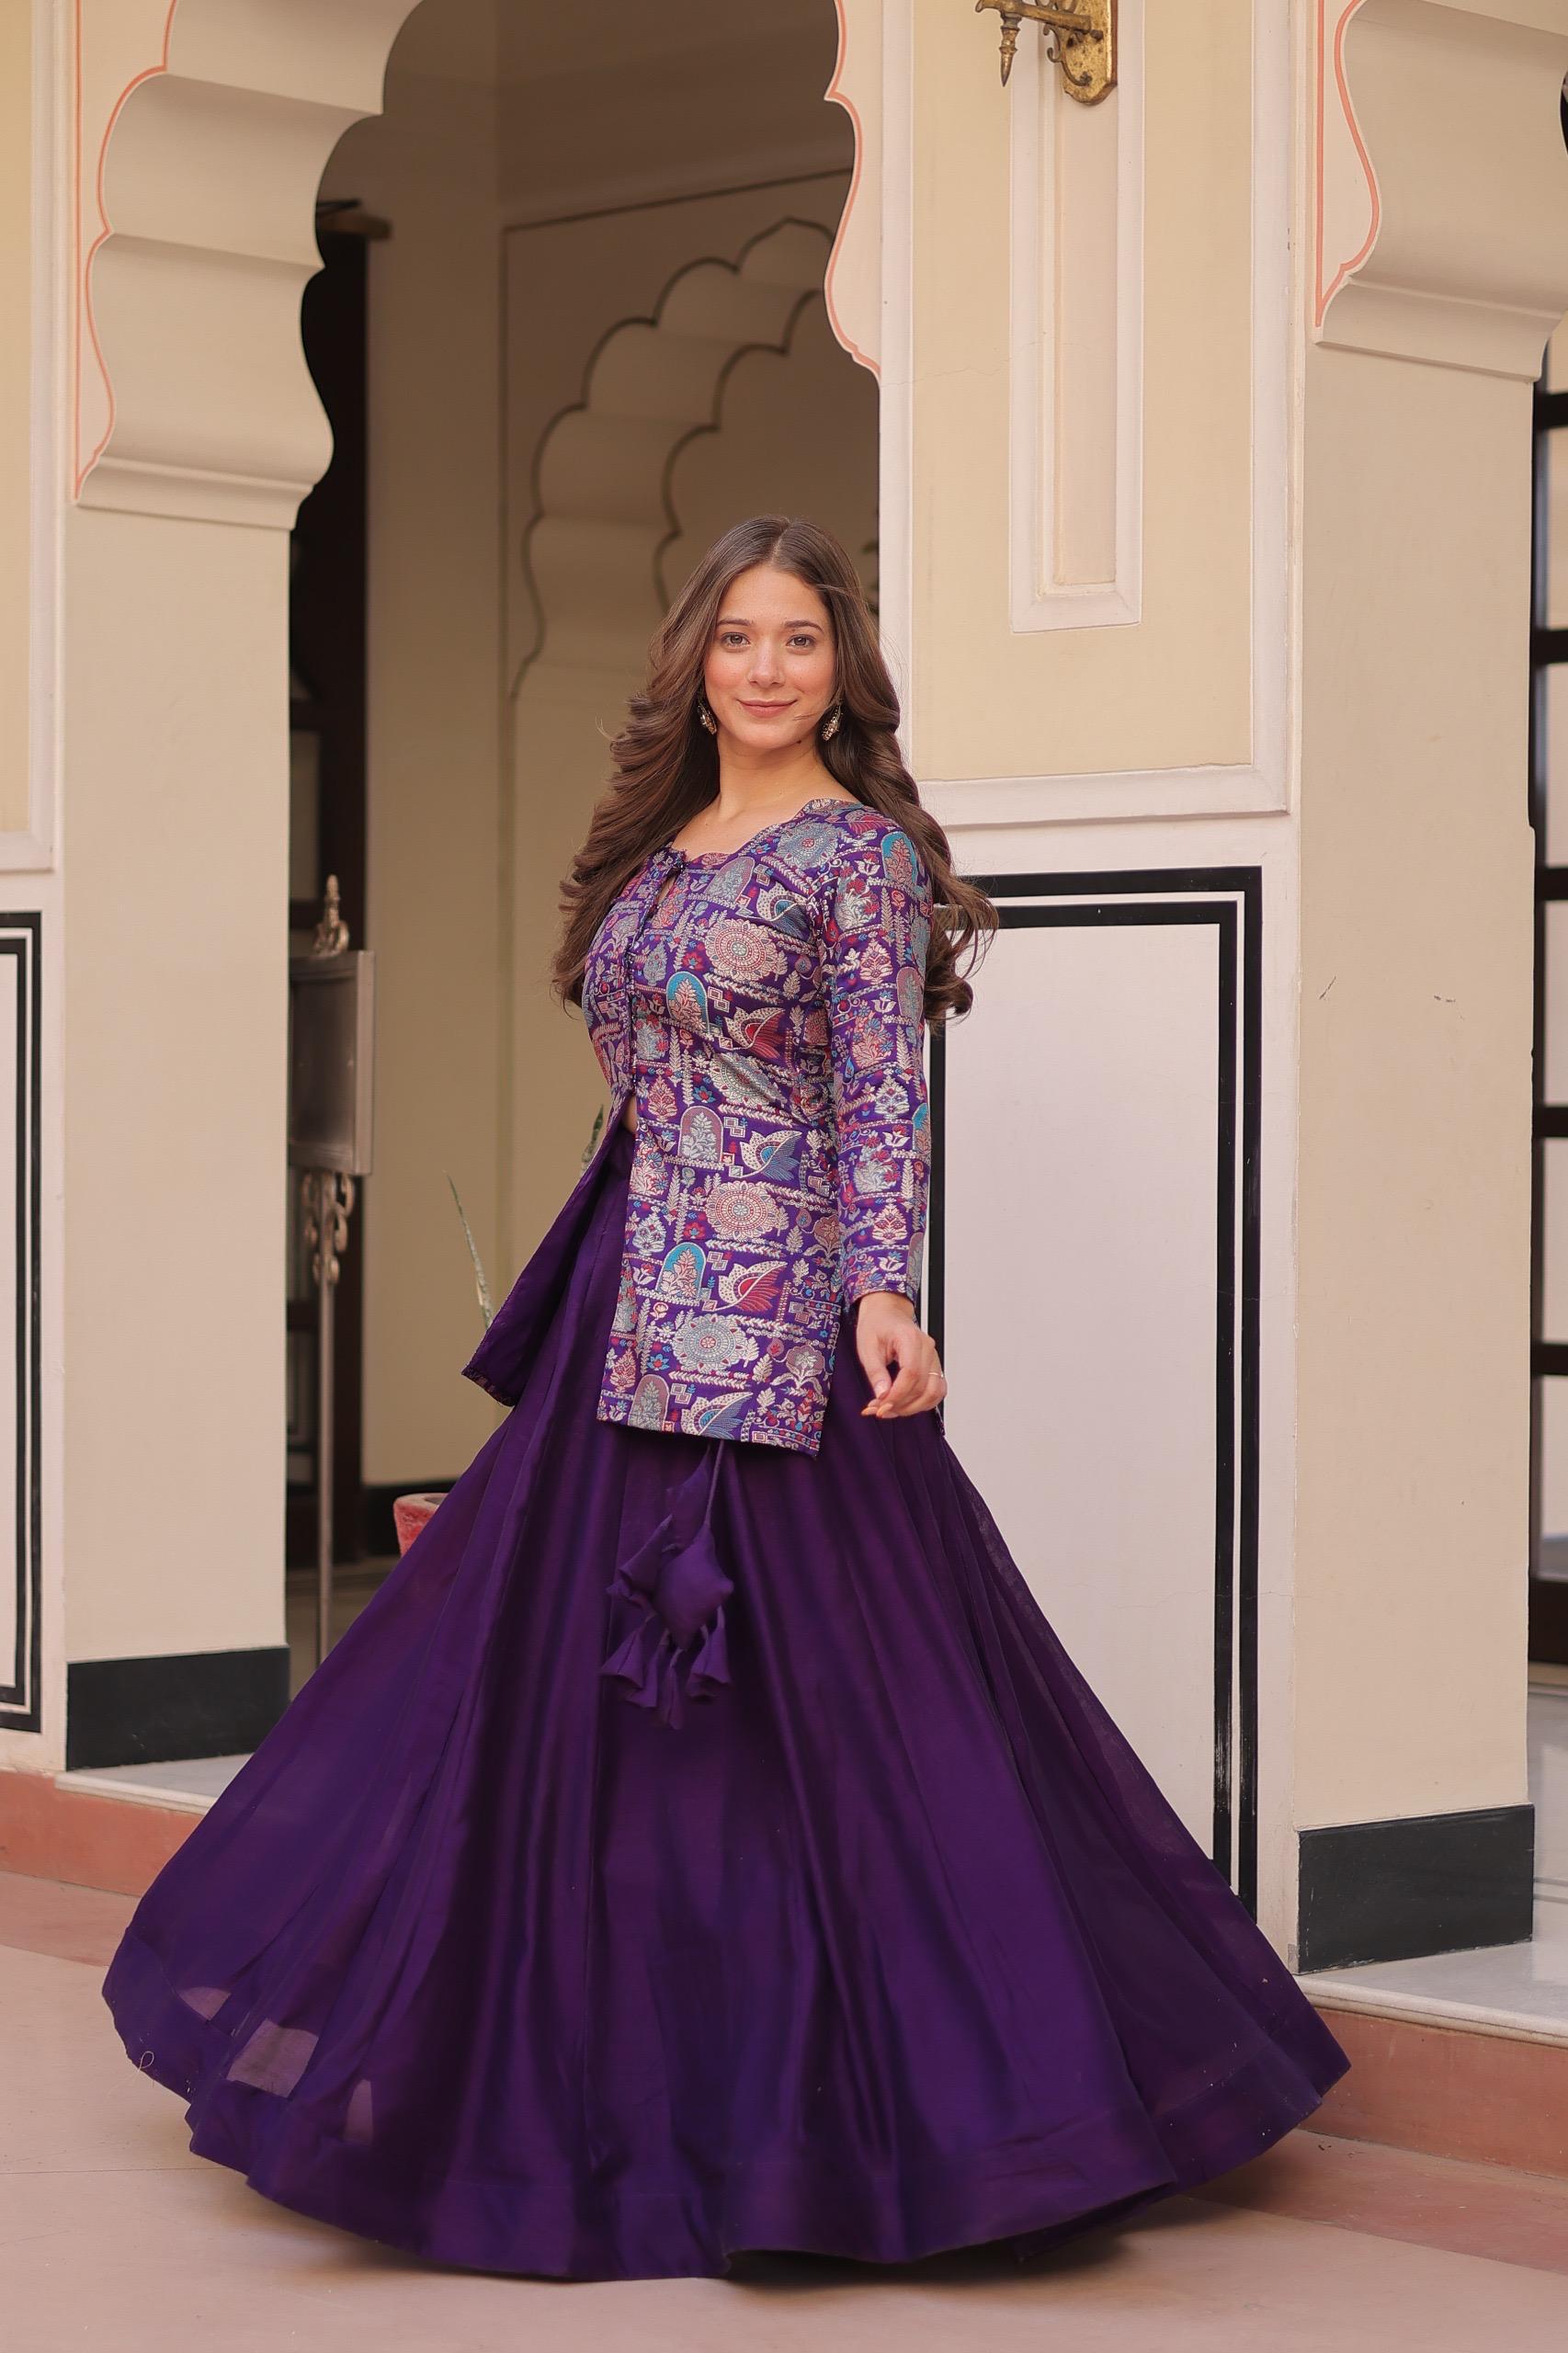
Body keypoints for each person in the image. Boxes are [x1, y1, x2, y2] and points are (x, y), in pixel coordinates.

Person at [102, 514, 1349, 2283]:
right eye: (740, 639)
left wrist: (885, 1295)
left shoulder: (851, 858)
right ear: (695, 657)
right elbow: (647, 1084)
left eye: (802, 643)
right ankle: (589, 2087)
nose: (767, 669)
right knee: (559, 1717)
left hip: (786, 1324)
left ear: (841, 672)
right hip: (631, 1306)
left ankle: (903, 2115)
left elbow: (875, 1096)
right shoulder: (664, 848)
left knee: (843, 1714)